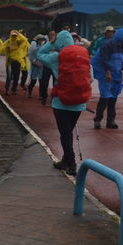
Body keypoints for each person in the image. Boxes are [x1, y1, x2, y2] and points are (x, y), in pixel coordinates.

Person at [37, 30, 87, 174]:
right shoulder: (82, 56)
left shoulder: (55, 57)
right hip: (79, 102)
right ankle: (65, 160)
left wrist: (50, 43)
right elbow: (90, 78)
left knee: (65, 133)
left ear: (59, 43)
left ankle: (71, 163)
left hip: (61, 102)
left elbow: (40, 55)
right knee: (68, 132)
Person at [91, 27, 123, 129]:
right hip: (105, 74)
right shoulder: (107, 45)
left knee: (113, 98)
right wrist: (107, 72)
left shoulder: (122, 47)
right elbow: (104, 59)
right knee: (105, 97)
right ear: (121, 38)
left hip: (116, 75)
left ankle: (111, 121)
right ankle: (98, 120)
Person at [0, 30, 29, 96]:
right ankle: (7, 89)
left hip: (18, 61)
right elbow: (1, 49)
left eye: (15, 35)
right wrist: (6, 48)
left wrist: (18, 33)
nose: (14, 36)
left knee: (16, 76)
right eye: (13, 35)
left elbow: (24, 39)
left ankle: (14, 89)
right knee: (9, 76)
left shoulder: (19, 41)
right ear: (11, 35)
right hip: (10, 61)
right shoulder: (8, 41)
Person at [37, 29, 57, 104]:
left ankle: (54, 98)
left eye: (53, 34)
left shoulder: (58, 44)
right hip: (47, 65)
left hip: (55, 67)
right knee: (44, 82)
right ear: (48, 36)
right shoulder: (45, 44)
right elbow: (40, 52)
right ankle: (44, 96)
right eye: (50, 35)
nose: (52, 36)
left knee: (56, 83)